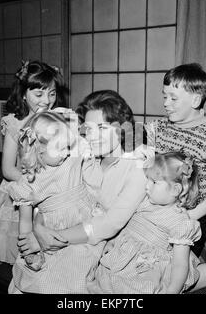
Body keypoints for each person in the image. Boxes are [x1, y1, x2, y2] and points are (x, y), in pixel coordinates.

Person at [11, 90, 148, 293]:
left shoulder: (138, 166)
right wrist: (39, 228)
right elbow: (49, 194)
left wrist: (53, 237)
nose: (93, 137)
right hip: (66, 235)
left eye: (102, 127)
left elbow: (109, 224)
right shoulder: (82, 155)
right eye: (89, 129)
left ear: (122, 129)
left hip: (106, 245)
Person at [89, 152, 206, 294]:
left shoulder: (181, 223)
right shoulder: (143, 203)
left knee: (191, 280)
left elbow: (180, 265)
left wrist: (172, 291)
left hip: (150, 270)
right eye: (147, 180)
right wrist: (113, 241)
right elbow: (128, 228)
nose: (146, 186)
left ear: (175, 190)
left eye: (154, 182)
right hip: (125, 261)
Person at [0, 60, 67, 267]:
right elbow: (7, 169)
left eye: (51, 94)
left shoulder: (57, 119)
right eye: (39, 94)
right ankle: (11, 253)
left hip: (51, 181)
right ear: (24, 94)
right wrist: (32, 183)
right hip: (22, 181)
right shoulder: (15, 123)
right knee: (18, 232)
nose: (47, 101)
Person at [143, 63, 206, 257]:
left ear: (195, 100)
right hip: (155, 206)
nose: (166, 103)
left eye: (173, 98)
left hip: (192, 214)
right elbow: (126, 134)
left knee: (163, 268)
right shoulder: (160, 127)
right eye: (164, 96)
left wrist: (192, 215)